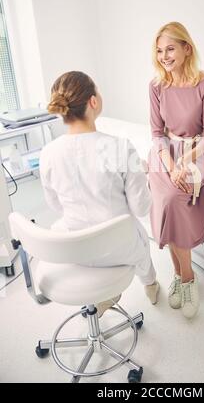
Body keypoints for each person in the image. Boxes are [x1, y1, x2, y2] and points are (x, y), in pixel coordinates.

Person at [39, 71, 160, 316]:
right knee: (141, 247)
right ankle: (150, 284)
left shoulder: (48, 153)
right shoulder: (121, 147)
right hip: (119, 249)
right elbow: (142, 208)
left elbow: (55, 205)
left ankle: (106, 294)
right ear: (93, 102)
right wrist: (143, 176)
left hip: (74, 250)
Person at [148, 22, 204, 319]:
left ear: (187, 48)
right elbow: (157, 132)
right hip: (163, 155)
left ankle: (181, 277)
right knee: (169, 198)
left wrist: (186, 161)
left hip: (196, 153)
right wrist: (171, 165)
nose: (164, 56)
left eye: (170, 49)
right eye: (159, 50)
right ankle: (186, 278)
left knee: (174, 201)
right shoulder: (156, 86)